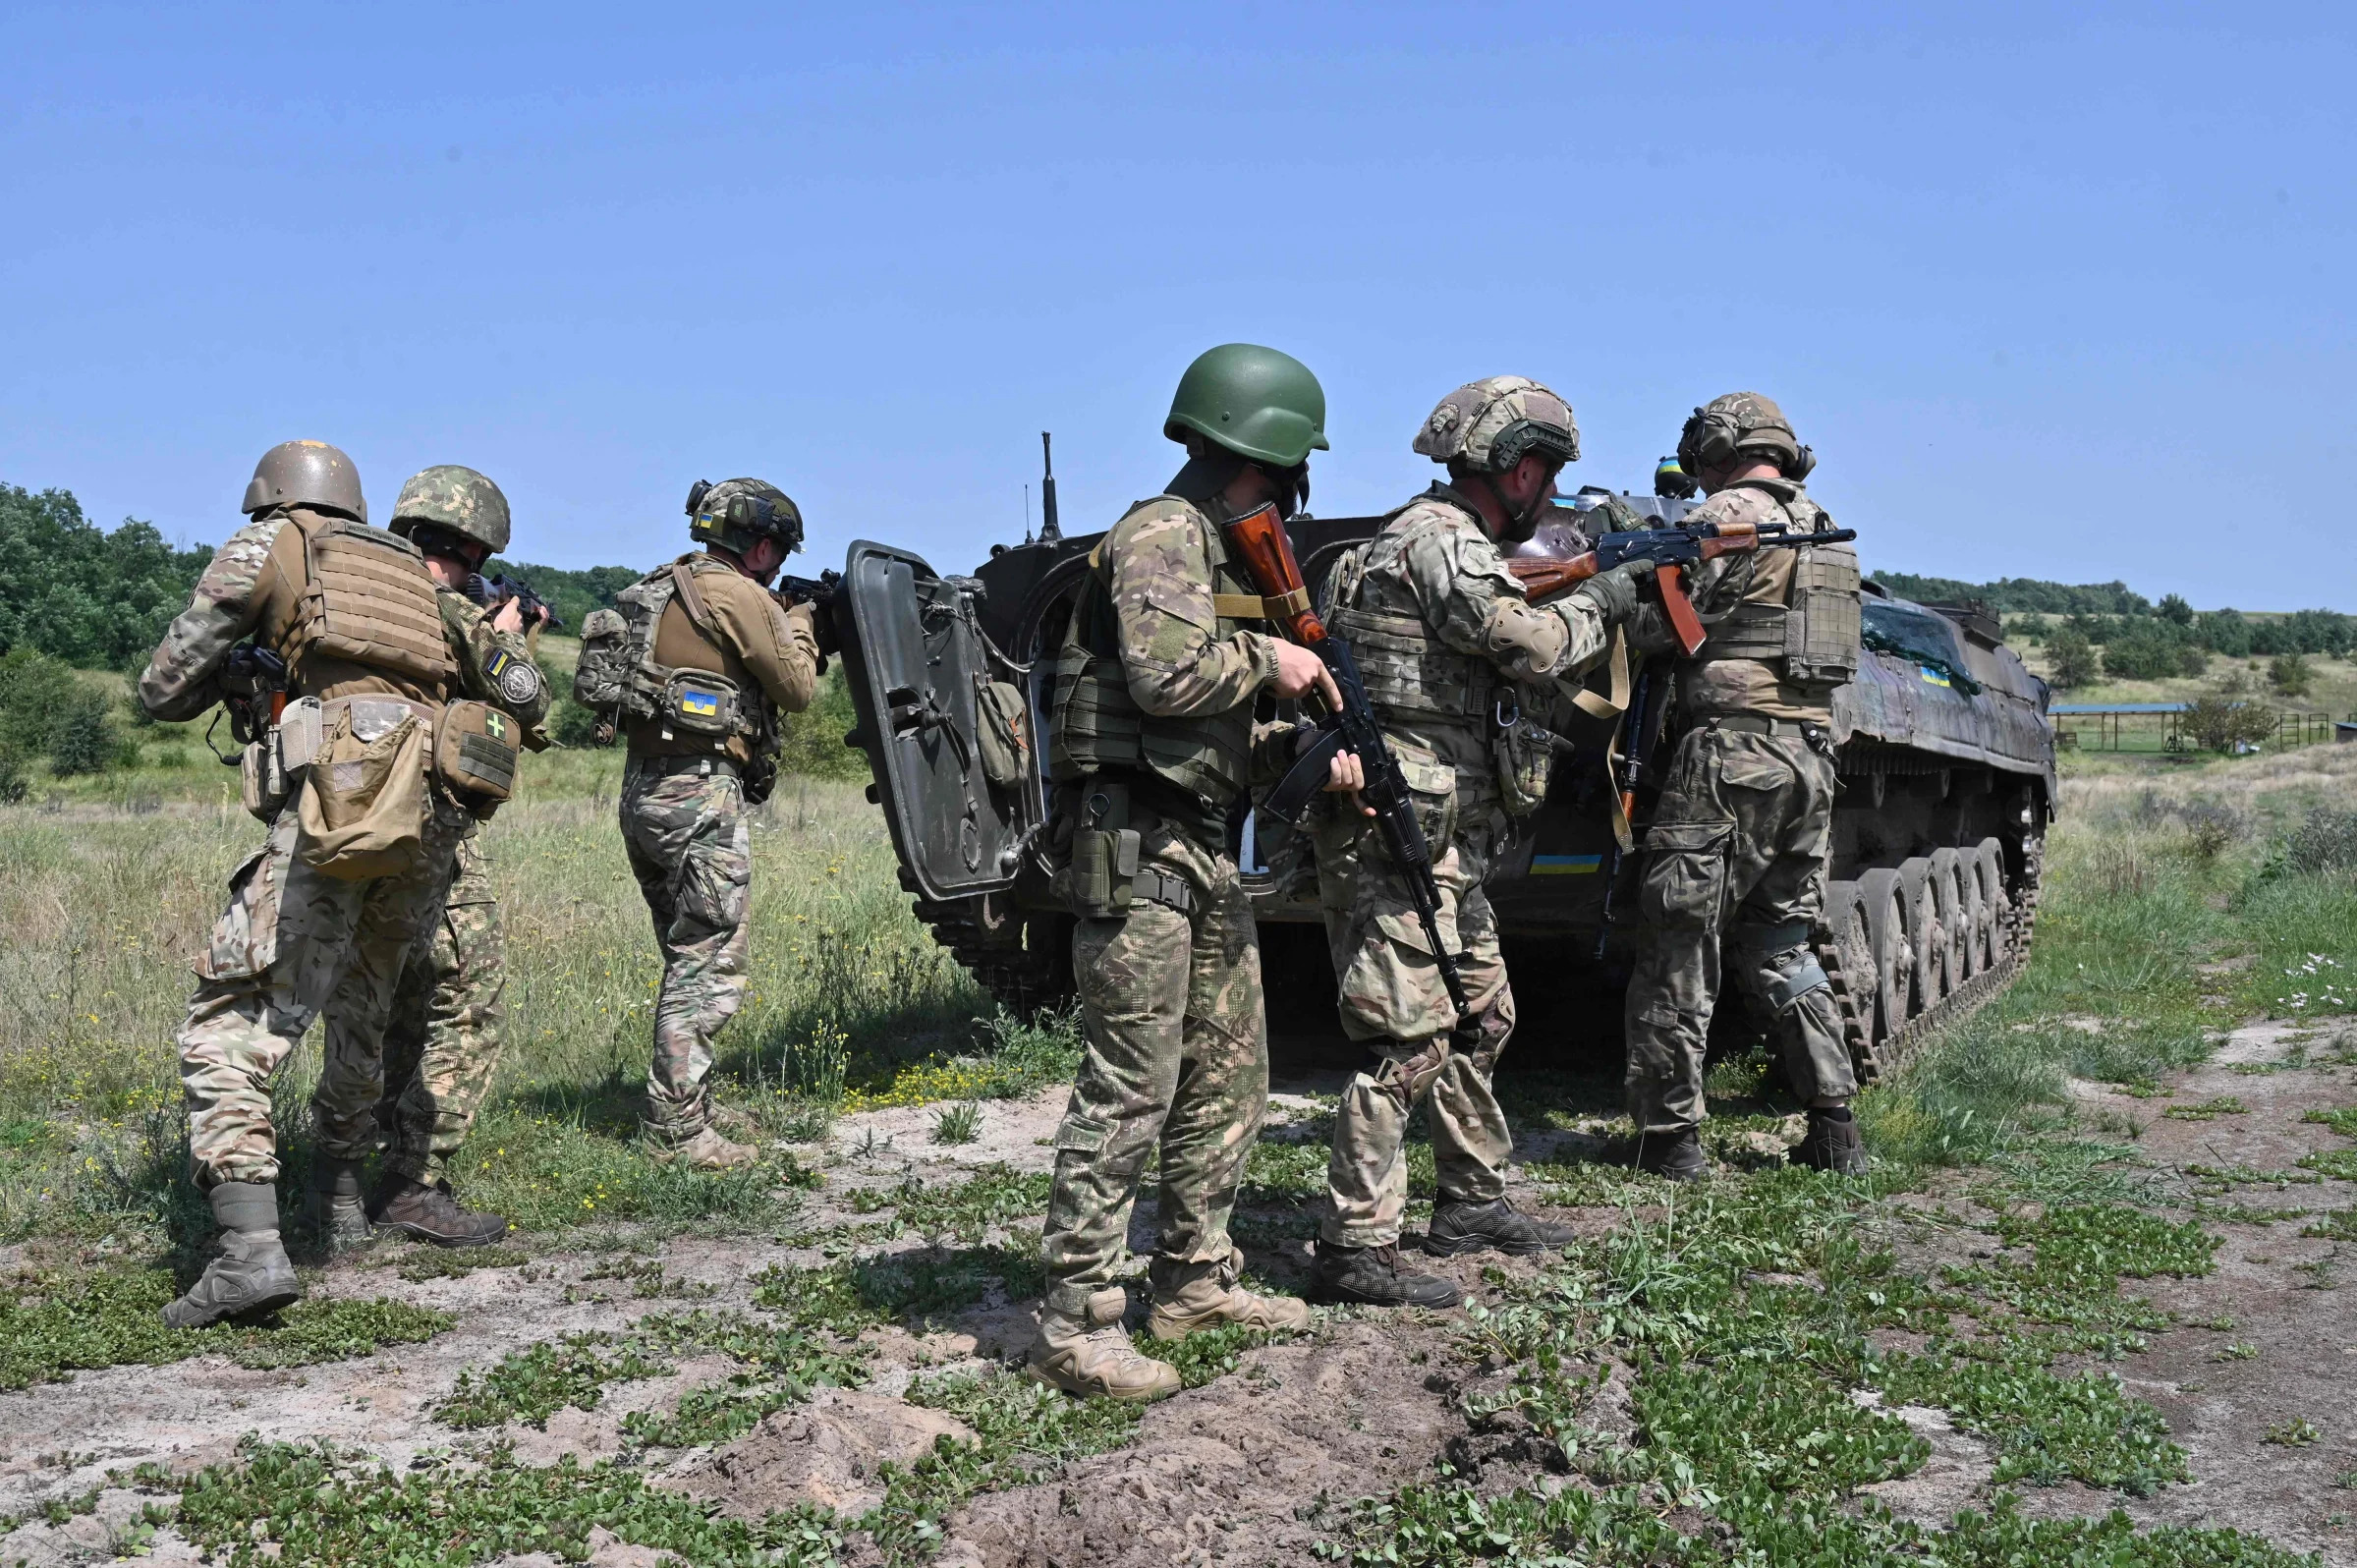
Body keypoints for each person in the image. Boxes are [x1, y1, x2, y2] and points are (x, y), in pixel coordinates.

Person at [140, 441, 545, 1326]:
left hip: (348, 805)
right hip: (430, 822)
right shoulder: (410, 580)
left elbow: (164, 687)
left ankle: (248, 1252)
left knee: (230, 1021)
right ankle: (340, 1208)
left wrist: (232, 669)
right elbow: (512, 695)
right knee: (362, 1006)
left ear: (271, 498)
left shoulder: (276, 544)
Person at [1029, 343, 1361, 1401]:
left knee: (1225, 1073)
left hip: (1195, 843)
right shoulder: (1164, 534)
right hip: (1135, 847)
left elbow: (1194, 732)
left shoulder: (1212, 549)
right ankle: (1078, 1319)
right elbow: (1169, 678)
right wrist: (1278, 662)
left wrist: (1303, 758)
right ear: (1266, 450)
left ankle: (1192, 1278)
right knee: (1130, 1087)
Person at [1307, 377, 1653, 1309]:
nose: (1548, 495)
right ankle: (1354, 1245)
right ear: (1521, 467)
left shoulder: (1417, 538)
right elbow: (1534, 647)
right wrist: (1612, 595)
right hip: (1400, 835)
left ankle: (1470, 1199)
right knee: (1405, 1040)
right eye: (1548, 475)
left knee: (1482, 1017)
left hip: (1445, 836)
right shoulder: (1438, 542)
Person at [1621, 392, 1865, 1180]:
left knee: (1677, 941)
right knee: (1781, 943)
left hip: (1728, 756)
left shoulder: (1727, 512)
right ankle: (1834, 1126)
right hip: (1807, 754)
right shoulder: (1821, 525)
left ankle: (1670, 1141)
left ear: (1716, 446)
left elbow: (1665, 624)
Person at [573, 478, 819, 1169]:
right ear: (762, 545)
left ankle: (688, 1102)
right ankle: (678, 1133)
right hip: (699, 793)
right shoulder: (738, 594)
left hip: (645, 790)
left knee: (686, 954)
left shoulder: (657, 586)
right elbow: (796, 689)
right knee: (708, 961)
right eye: (778, 553)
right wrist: (800, 621)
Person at [342, 465, 553, 1250]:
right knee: (465, 1000)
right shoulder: (443, 607)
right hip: (428, 832)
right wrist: (506, 633)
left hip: (342, 821)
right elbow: (526, 703)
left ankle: (344, 1167)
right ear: (462, 549)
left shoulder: (352, 593)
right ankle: (412, 1182)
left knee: (377, 1000)